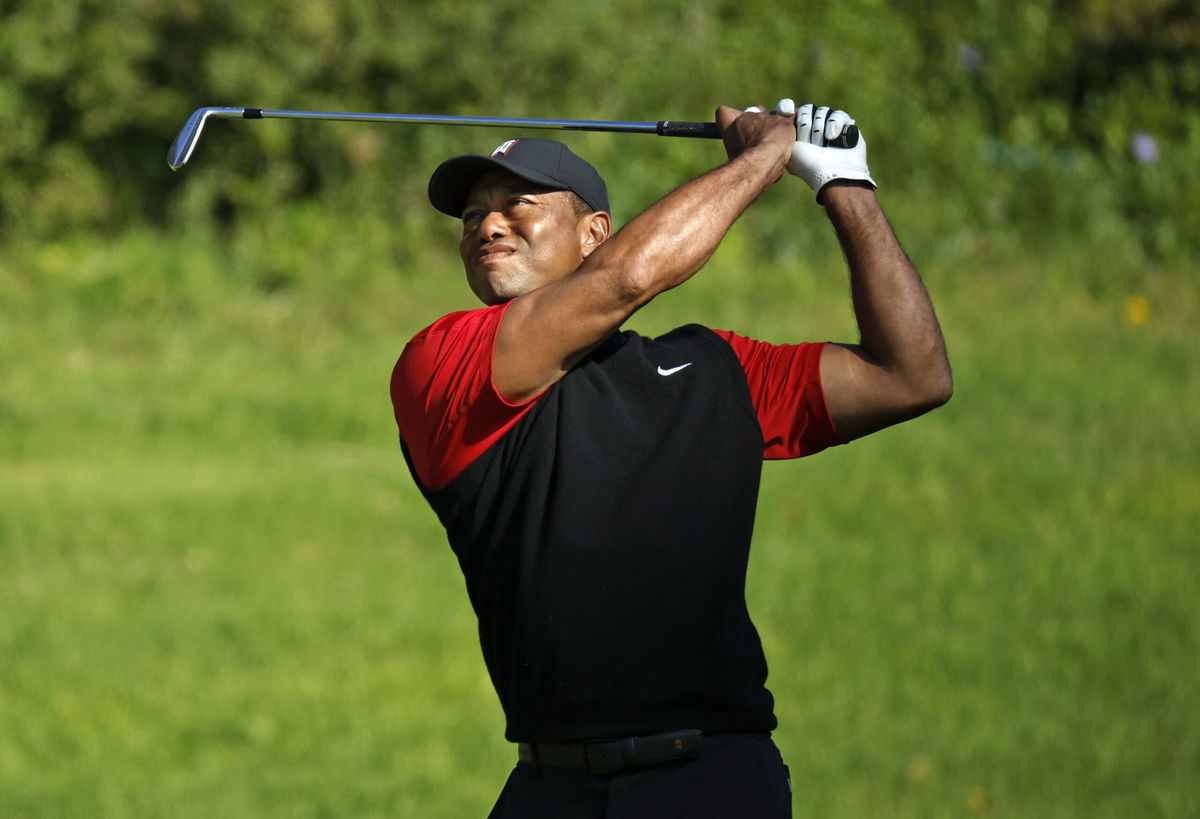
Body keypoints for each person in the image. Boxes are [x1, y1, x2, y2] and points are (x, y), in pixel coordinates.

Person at [390, 99, 952, 818]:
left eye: (518, 204)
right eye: (473, 217)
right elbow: (625, 281)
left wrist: (845, 184)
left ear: (596, 232)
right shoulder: (444, 364)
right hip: (551, 788)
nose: (488, 226)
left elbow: (913, 374)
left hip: (711, 780)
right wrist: (762, 158)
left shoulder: (715, 369)